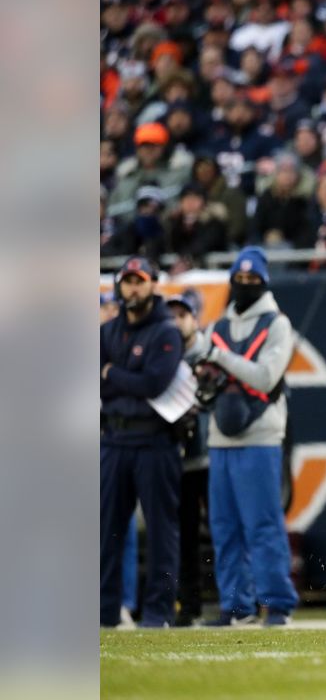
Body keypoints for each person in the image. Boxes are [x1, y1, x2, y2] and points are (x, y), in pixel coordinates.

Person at [187, 247, 300, 626]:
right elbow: (202, 380)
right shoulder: (218, 326)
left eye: (253, 280)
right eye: (240, 279)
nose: (245, 285)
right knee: (224, 526)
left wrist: (219, 359)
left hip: (261, 434)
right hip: (221, 435)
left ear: (264, 282)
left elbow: (265, 377)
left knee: (263, 523)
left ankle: (278, 603)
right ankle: (236, 605)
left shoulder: (276, 323)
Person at [100, 256, 184, 628]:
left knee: (162, 530)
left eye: (140, 280)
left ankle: (158, 612)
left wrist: (112, 373)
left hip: (154, 441)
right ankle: (104, 612)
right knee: (106, 531)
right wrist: (122, 379)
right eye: (127, 281)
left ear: (153, 285)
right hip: (114, 439)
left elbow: (155, 383)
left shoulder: (165, 330)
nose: (133, 287)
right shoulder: (108, 330)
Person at [165, 290, 213, 627]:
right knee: (182, 536)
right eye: (171, 316)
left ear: (195, 318)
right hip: (177, 460)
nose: (176, 322)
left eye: (182, 315)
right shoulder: (162, 356)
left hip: (211, 458)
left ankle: (242, 604)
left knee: (226, 531)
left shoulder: (213, 353)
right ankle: (189, 604)